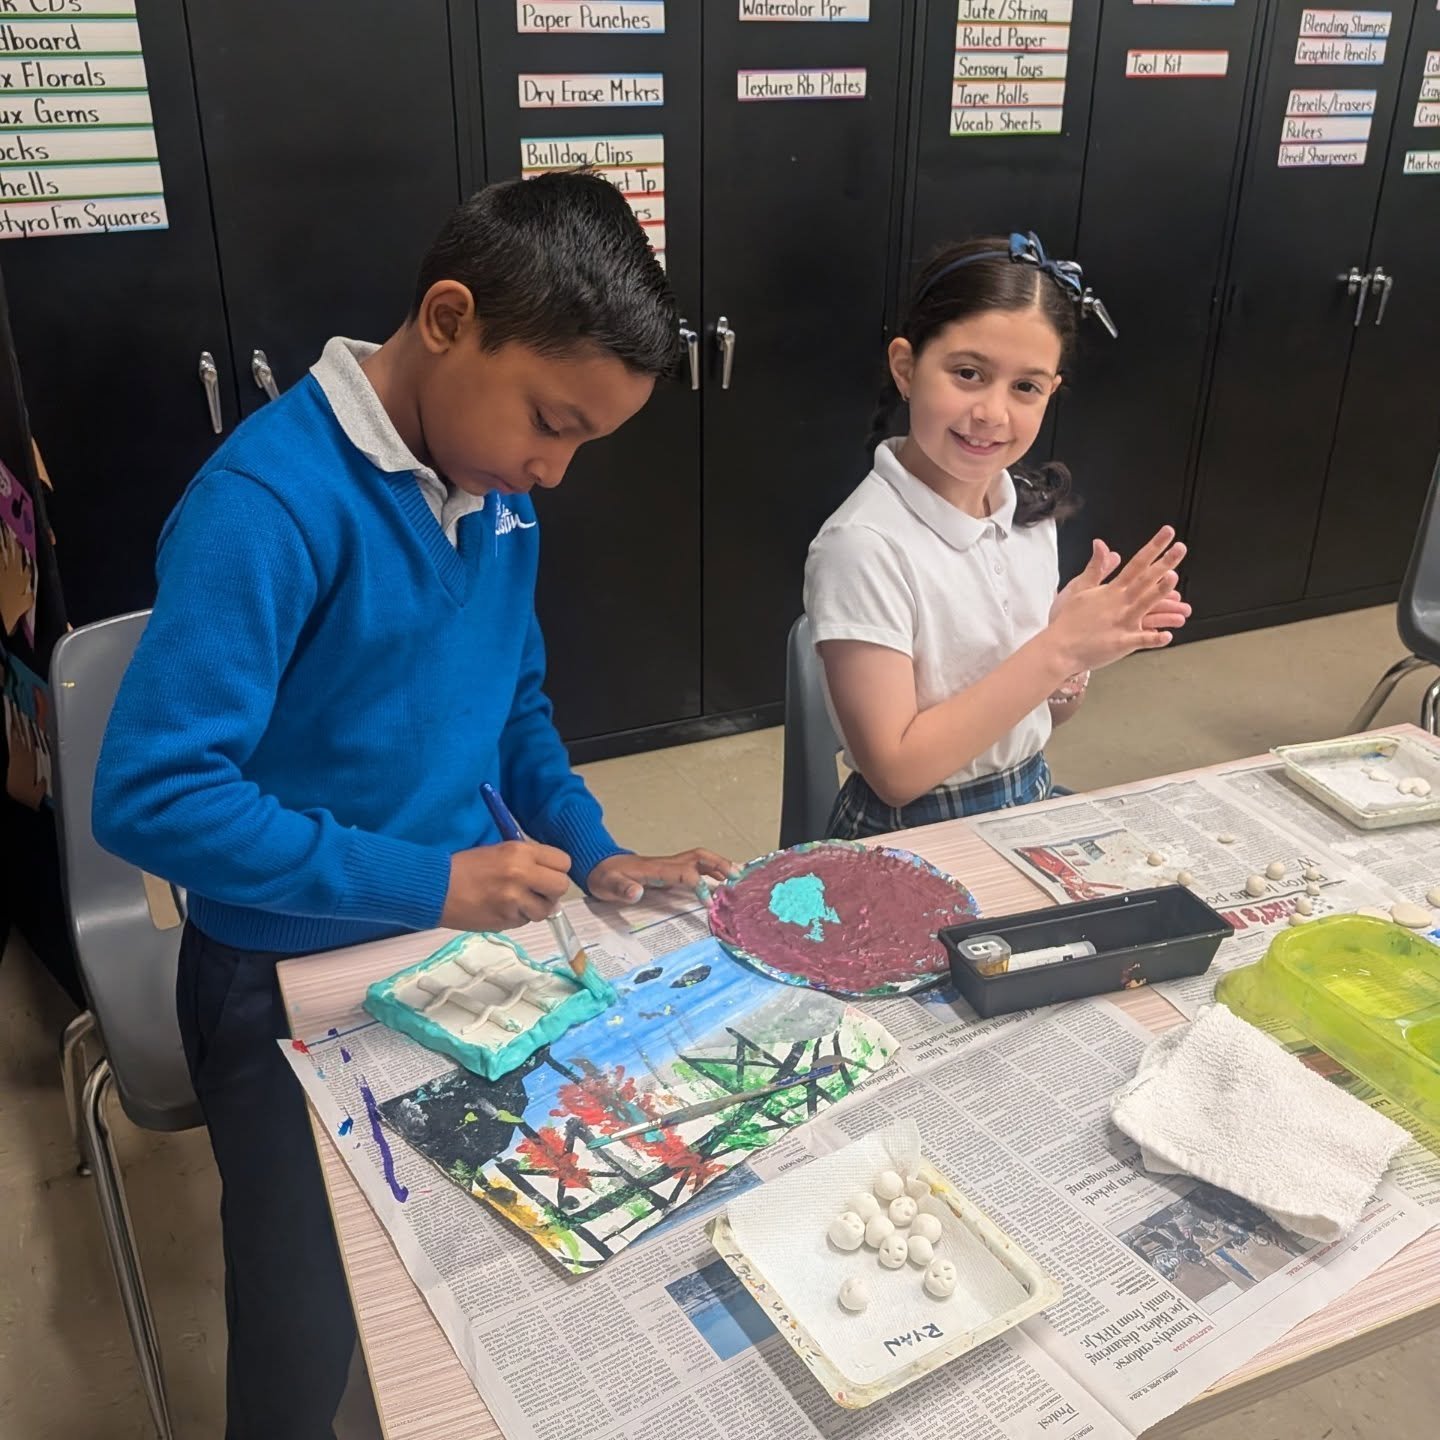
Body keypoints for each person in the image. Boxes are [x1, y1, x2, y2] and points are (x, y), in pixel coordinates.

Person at [93, 171, 733, 1439]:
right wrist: (430, 882)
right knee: (306, 1307)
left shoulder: (492, 492)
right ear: (448, 319)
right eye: (550, 423)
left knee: (492, 1232)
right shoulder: (267, 508)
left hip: (442, 948)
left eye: (584, 446)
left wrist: (594, 851)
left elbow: (514, 708)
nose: (553, 473)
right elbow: (154, 797)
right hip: (280, 973)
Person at [804, 232, 1191, 839]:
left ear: (1051, 393)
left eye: (1025, 387)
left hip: (1028, 795)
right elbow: (897, 772)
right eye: (967, 373)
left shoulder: (1024, 513)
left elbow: (1036, 721)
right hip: (908, 833)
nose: (992, 413)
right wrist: (1056, 649)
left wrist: (1078, 659)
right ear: (906, 368)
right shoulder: (862, 546)